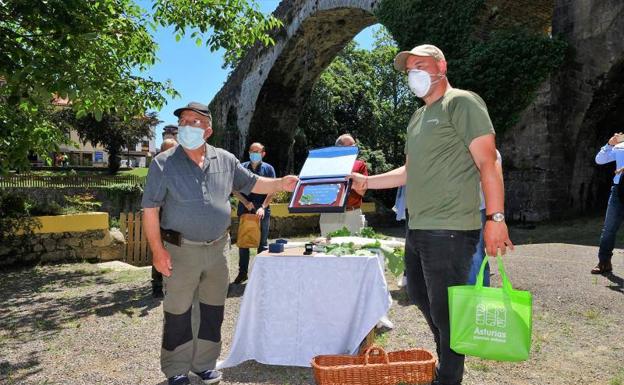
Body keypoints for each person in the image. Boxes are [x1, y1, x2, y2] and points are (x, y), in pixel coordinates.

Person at [350, 45, 513, 385]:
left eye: (420, 65)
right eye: (409, 70)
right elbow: (408, 172)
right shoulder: (417, 117)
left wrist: (495, 218)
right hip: (418, 226)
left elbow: (489, 162)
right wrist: (368, 181)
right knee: (423, 299)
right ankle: (446, 364)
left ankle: (449, 377)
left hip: (451, 228)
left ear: (441, 65)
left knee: (446, 310)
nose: (414, 75)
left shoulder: (463, 103)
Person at [142, 102, 298, 385]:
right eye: (184, 121)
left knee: (212, 308)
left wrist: (281, 184)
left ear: (208, 130)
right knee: (178, 310)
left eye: (195, 121)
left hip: (217, 249)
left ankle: (204, 364)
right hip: (180, 249)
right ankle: (176, 368)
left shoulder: (225, 160)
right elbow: (150, 210)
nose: (187, 125)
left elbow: (253, 183)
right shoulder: (163, 163)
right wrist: (157, 251)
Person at [231, 142, 276, 284]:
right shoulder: (242, 167)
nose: (254, 153)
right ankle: (242, 273)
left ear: (263, 153)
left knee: (262, 243)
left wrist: (263, 206)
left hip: (262, 210)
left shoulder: (269, 169)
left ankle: (262, 274)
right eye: (252, 151)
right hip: (245, 209)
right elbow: (233, 188)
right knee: (243, 242)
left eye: (257, 151)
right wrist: (245, 202)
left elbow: (273, 190)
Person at [319, 134, 369, 236]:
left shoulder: (360, 165)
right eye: (351, 145)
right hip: (329, 214)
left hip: (353, 214)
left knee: (355, 249)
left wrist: (348, 182)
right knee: (328, 248)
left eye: (354, 145)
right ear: (339, 148)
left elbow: (362, 191)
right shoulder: (325, 165)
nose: (354, 147)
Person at [467, 150, 503, 286]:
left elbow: (492, 179)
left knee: (475, 254)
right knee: (473, 253)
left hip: (477, 209)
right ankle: (475, 293)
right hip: (461, 210)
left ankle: (477, 295)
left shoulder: (490, 152)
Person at [592, 132, 624, 275]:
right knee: (609, 228)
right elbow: (600, 160)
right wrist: (610, 144)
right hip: (619, 190)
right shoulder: (621, 145)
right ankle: (604, 261)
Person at [151, 137, 180, 299]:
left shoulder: (181, 167)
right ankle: (156, 285)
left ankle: (174, 283)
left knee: (177, 251)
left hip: (177, 218)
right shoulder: (156, 167)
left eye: (173, 149)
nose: (171, 153)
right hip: (159, 217)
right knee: (158, 250)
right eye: (168, 150)